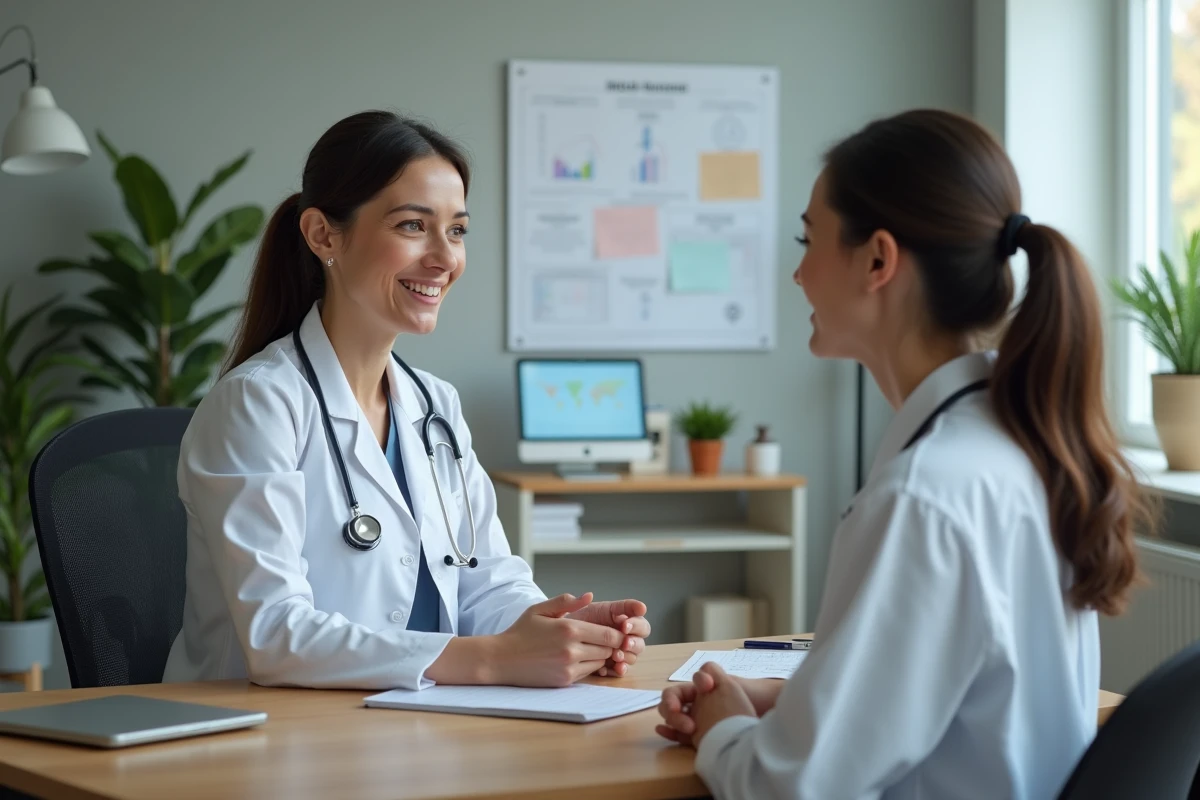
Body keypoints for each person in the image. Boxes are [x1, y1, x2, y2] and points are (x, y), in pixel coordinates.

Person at [655, 108, 1155, 798]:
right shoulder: (1025, 450)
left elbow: (788, 788)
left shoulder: (924, 495)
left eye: (810, 240)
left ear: (879, 260)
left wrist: (721, 726)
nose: (798, 274)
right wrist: (788, 700)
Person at [162, 111, 649, 691]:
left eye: (458, 230)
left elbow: (484, 581)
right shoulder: (257, 405)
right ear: (323, 235)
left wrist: (554, 627)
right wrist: (494, 660)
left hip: (410, 722)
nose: (445, 257)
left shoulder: (434, 405)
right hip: (265, 739)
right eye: (414, 226)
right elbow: (276, 637)